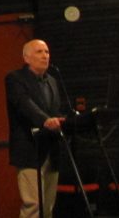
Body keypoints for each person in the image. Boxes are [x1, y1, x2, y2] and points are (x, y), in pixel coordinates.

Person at [6, 39, 71, 218]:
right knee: (34, 205)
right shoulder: (15, 79)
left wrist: (65, 120)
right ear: (26, 58)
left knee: (48, 207)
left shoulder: (52, 81)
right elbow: (24, 104)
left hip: (51, 150)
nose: (45, 56)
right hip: (30, 149)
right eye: (39, 52)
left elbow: (54, 111)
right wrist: (45, 121)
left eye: (47, 52)